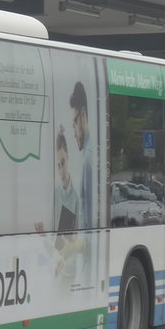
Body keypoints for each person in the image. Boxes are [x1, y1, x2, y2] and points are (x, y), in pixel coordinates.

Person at [70, 81, 94, 228]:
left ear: (83, 114)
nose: (73, 133)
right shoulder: (88, 152)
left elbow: (89, 220)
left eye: (75, 123)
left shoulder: (88, 159)